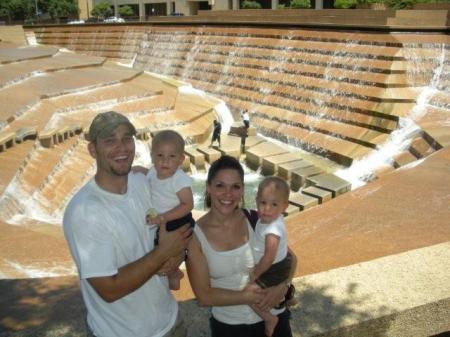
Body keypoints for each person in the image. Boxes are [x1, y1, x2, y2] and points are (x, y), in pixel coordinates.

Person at [63, 111, 192, 337]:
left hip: (170, 321)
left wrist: (176, 257)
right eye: (110, 141)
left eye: (126, 138)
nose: (121, 147)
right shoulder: (85, 212)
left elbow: (179, 231)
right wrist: (163, 253)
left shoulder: (145, 182)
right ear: (93, 150)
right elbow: (109, 289)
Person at [186, 155, 296, 337]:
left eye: (235, 187)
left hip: (276, 320)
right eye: (220, 185)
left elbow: (290, 259)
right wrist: (247, 296)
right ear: (208, 187)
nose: (228, 194)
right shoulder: (195, 236)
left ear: (243, 189)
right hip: (230, 328)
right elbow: (204, 295)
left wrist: (284, 285)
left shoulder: (256, 220)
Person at [145, 129, 195, 290]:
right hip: (162, 220)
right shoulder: (152, 172)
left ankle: (174, 272)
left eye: (171, 156)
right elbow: (152, 181)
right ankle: (174, 273)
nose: (165, 161)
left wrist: (163, 218)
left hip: (178, 220)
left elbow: (188, 205)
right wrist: (141, 170)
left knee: (167, 249)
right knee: (156, 248)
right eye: (160, 156)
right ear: (152, 156)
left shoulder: (179, 179)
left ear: (181, 159)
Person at [249, 176, 293, 337]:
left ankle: (269, 318)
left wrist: (255, 274)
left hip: (272, 269)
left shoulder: (273, 230)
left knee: (247, 293)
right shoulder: (267, 220)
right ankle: (287, 298)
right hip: (279, 266)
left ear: (284, 206)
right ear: (256, 201)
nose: (267, 209)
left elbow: (268, 258)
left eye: (274, 204)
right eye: (263, 203)